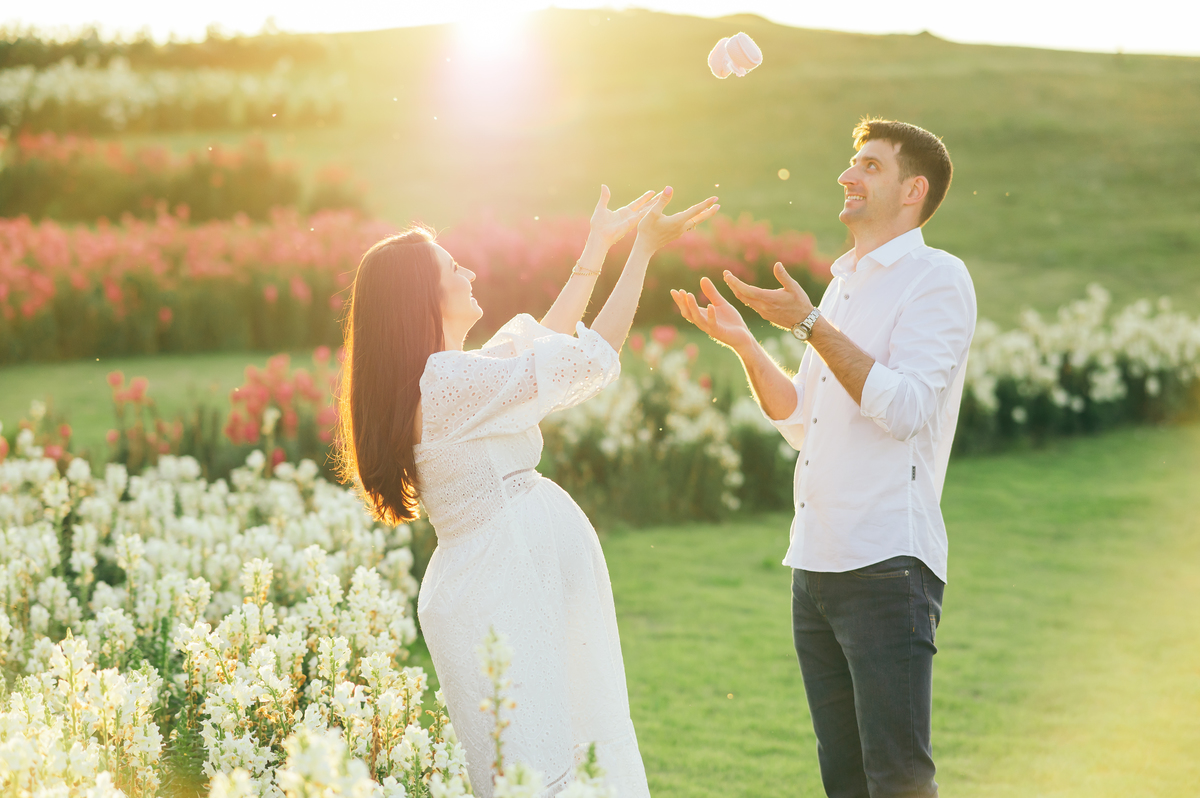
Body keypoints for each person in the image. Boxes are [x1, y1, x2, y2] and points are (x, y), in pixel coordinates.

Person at [334, 185, 719, 797]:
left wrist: (597, 248)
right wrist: (643, 251)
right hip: (504, 582)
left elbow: (541, 343)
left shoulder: (445, 381)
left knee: (538, 758)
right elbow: (584, 360)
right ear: (421, 298)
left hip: (499, 575)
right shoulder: (446, 383)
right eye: (452, 267)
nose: (470, 271)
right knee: (538, 763)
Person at [671, 119, 976, 798]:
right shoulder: (841, 288)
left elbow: (904, 410)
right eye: (851, 163)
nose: (847, 176)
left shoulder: (937, 278)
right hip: (814, 566)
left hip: (886, 566)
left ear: (912, 190)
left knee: (896, 778)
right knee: (843, 780)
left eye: (869, 166)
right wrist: (747, 346)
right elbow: (803, 423)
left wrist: (810, 325)